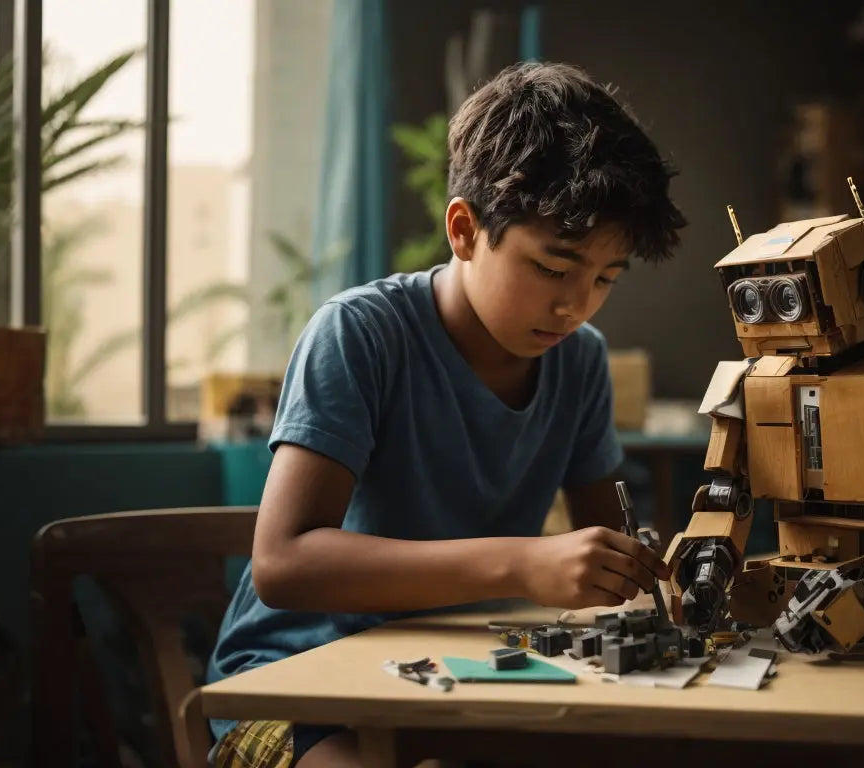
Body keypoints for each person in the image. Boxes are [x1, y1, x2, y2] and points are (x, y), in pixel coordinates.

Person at [207, 60, 687, 768]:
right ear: (464, 230)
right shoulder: (361, 335)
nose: (575, 304)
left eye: (605, 279)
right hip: (293, 693)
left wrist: (650, 570)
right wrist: (522, 564)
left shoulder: (578, 361)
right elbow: (283, 562)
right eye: (554, 268)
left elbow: (608, 547)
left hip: (454, 680)